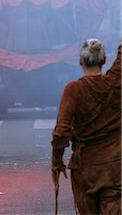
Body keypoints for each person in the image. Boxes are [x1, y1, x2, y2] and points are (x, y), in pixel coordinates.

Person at [51, 38, 121, 214]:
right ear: (104, 60)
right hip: (115, 167)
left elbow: (61, 132)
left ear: (80, 61)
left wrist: (57, 162)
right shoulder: (115, 83)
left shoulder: (73, 90)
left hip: (86, 170)